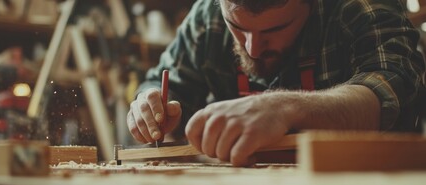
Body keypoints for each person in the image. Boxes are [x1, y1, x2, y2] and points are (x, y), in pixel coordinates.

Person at [127, 0, 426, 166]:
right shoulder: (207, 16)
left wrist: (285, 107)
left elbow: (392, 87)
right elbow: (163, 82)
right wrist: (151, 103)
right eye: (238, 28)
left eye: (275, 29)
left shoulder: (362, 5)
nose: (252, 49)